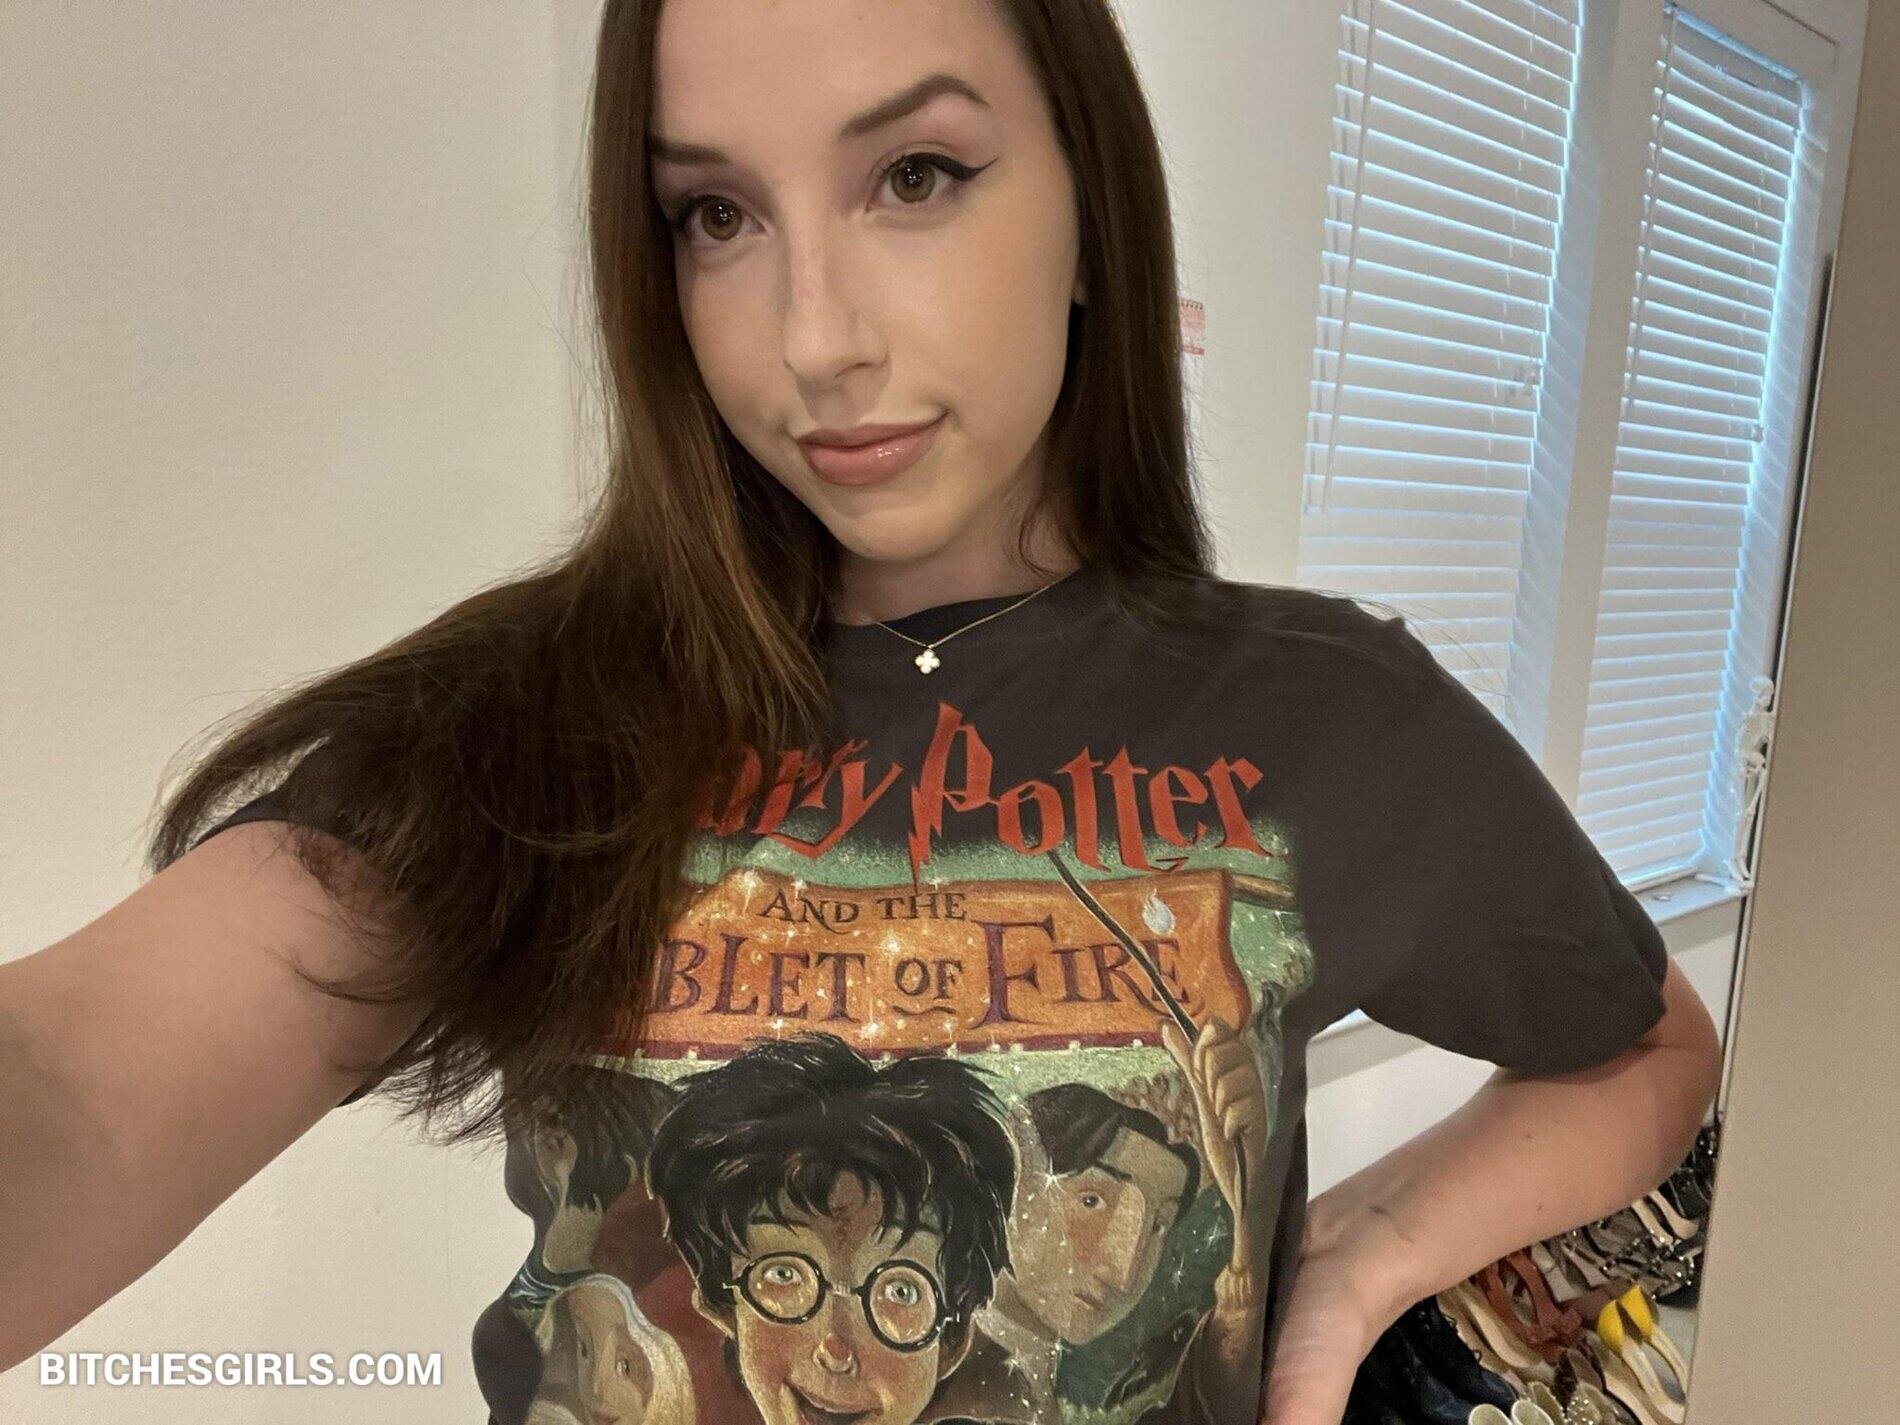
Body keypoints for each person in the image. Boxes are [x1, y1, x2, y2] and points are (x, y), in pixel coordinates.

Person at [0, 1, 1724, 1423]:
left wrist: (1355, 1264)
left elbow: (1645, 1049)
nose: (812, 339)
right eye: (717, 215)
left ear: (1090, 206)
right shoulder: (531, 733)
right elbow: (77, 1091)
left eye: (915, 175)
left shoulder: (1323, 718)